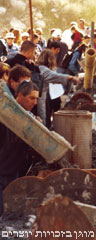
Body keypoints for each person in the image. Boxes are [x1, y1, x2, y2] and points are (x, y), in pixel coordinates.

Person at [0, 80, 39, 217]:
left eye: (36, 99)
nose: (35, 102)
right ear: (20, 96)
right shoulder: (6, 114)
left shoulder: (27, 115)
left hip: (16, 167)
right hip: (4, 168)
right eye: (31, 98)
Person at [36, 49, 81, 126]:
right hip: (40, 98)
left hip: (42, 97)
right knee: (42, 117)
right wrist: (72, 77)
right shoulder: (44, 70)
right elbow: (56, 77)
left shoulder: (39, 68)